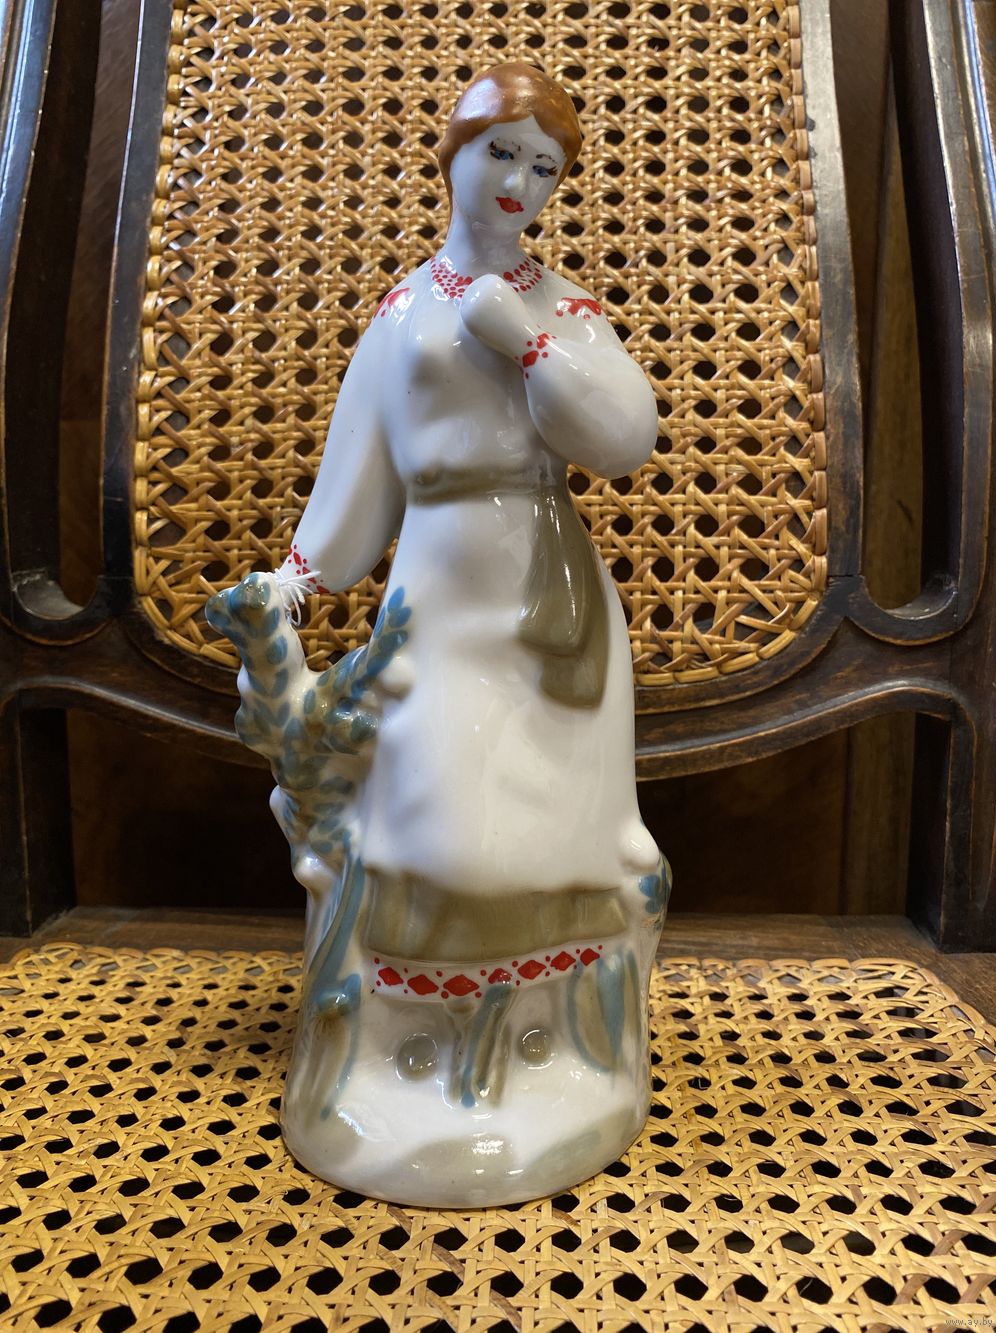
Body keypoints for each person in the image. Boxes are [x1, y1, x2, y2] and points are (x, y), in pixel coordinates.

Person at [217, 62, 670, 1206]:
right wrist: (297, 580)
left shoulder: (560, 307)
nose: (518, 182)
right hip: (433, 587)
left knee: (543, 829)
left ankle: (543, 1054)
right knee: (429, 818)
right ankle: (402, 1058)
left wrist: (523, 341)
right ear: (455, 155)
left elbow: (624, 435)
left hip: (542, 597)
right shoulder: (400, 314)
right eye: (500, 152)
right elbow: (359, 468)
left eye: (543, 167)